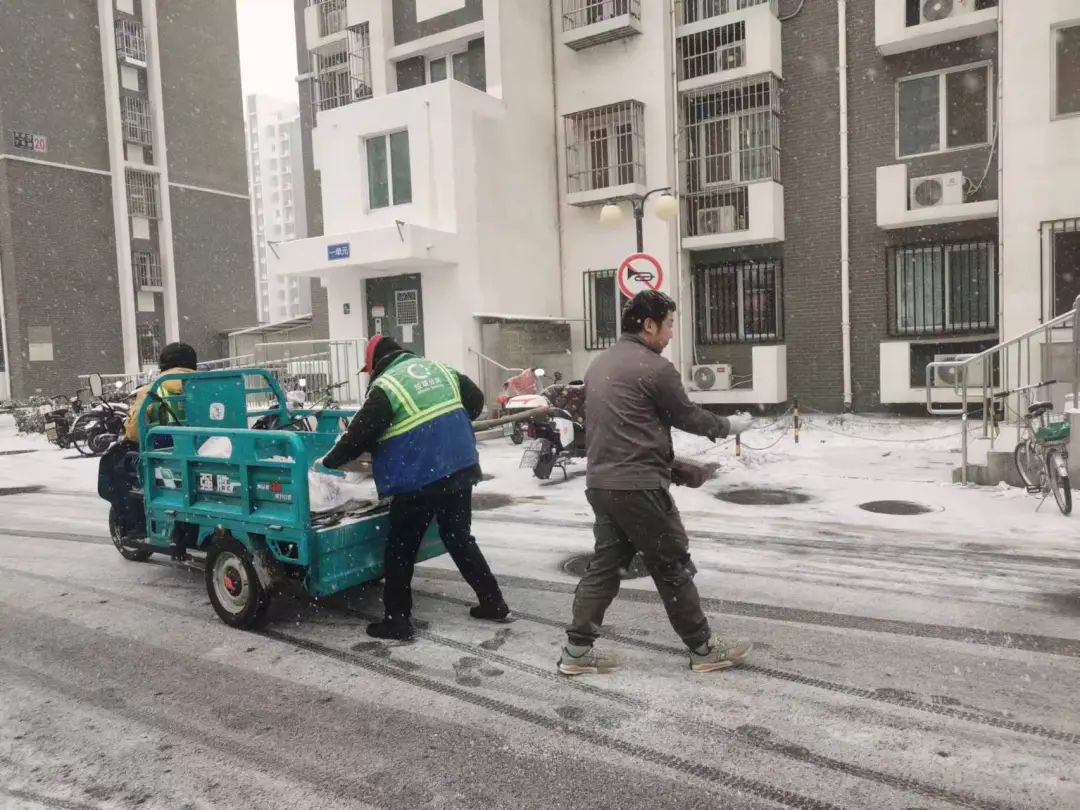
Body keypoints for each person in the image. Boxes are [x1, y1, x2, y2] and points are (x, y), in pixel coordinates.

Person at [559, 290, 754, 676]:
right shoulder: (653, 368)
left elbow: (625, 431)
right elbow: (688, 417)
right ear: (648, 325)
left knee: (606, 565)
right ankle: (703, 648)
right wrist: (730, 426)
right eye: (667, 326)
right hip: (637, 487)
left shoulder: (601, 364)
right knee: (671, 564)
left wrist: (670, 465)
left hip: (602, 484)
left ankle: (577, 652)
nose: (669, 336)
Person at [320, 335, 510, 640]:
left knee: (401, 548)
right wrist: (450, 431)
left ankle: (397, 620)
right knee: (459, 537)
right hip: (460, 465)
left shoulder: (388, 385)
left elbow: (361, 433)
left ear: (374, 365)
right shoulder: (439, 369)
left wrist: (331, 460)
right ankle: (494, 602)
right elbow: (475, 400)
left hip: (421, 475)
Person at [102, 342, 197, 543]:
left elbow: (134, 432)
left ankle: (137, 524)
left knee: (119, 465)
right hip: (205, 446)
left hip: (165, 450)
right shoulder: (209, 384)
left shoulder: (153, 389)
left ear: (164, 363)